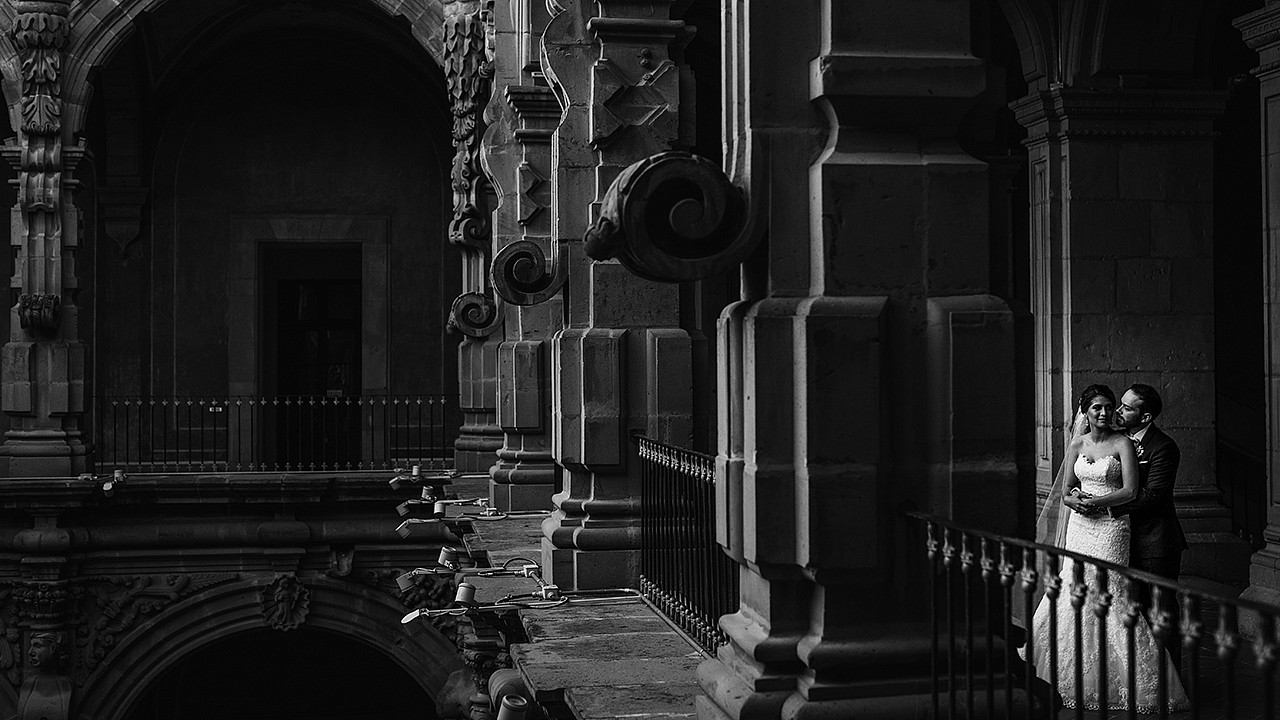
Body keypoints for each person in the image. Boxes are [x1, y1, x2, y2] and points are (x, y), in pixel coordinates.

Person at [1022, 384, 1188, 712]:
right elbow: (1067, 489)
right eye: (1110, 406)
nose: (1113, 412)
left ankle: (1162, 677)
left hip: (1137, 536)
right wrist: (1073, 500)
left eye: (1119, 407)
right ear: (1085, 411)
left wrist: (1097, 505)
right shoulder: (1080, 443)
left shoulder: (1156, 447)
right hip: (1085, 529)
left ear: (1145, 415)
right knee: (1076, 591)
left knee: (1149, 605)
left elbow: (1145, 494)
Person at [1075, 383, 1188, 671]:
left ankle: (1170, 676)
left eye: (1126, 407)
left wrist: (1104, 507)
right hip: (1117, 538)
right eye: (1120, 404)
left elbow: (1152, 495)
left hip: (1154, 542)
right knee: (1128, 610)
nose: (1117, 410)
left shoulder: (1163, 447)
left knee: (1159, 609)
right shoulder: (1116, 438)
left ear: (1145, 417)